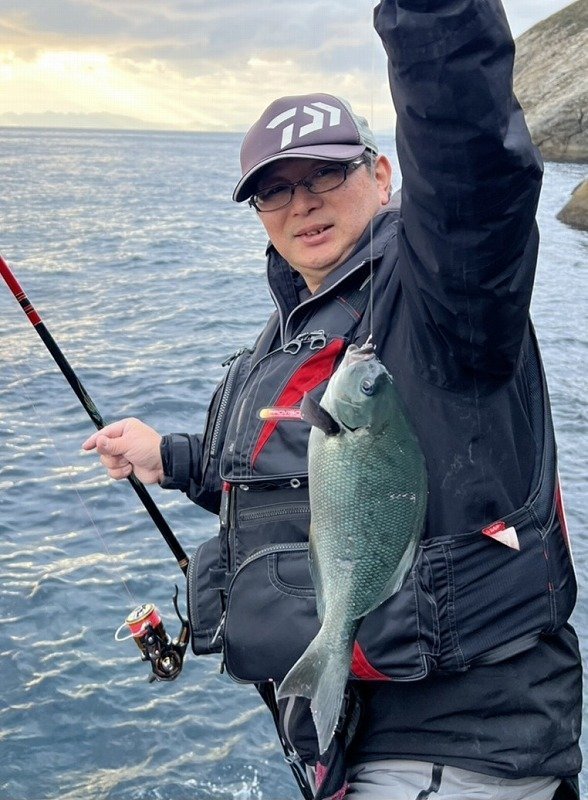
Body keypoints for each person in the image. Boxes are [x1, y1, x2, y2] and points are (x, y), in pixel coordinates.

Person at [82, 0, 583, 798]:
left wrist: (434, 16)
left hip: (464, 741)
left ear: (382, 176)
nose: (303, 201)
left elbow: (472, 168)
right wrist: (172, 459)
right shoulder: (290, 333)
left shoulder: (446, 296)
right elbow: (295, 481)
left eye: (327, 173)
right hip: (346, 737)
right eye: (275, 190)